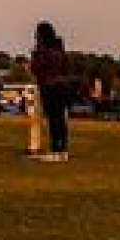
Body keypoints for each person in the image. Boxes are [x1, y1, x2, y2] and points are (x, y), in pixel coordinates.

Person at [29, 22, 74, 162]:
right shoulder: (60, 49)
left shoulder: (43, 50)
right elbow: (66, 68)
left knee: (54, 120)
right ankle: (63, 150)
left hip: (50, 87)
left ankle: (55, 151)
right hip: (63, 87)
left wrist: (35, 54)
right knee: (61, 120)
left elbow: (36, 68)